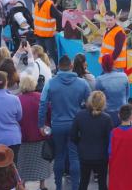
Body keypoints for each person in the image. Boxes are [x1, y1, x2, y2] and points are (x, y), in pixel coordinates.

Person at [38, 55, 92, 190]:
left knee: (59, 156)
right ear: (71, 66)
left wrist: (41, 124)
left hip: (57, 125)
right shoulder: (82, 83)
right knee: (74, 157)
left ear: (58, 66)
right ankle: (75, 186)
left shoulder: (50, 83)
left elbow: (43, 104)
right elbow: (91, 104)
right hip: (75, 124)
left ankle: (58, 187)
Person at [15, 75, 52, 189]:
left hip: (23, 136)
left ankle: (23, 184)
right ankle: (42, 184)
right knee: (42, 161)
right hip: (40, 135)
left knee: (23, 162)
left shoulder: (17, 99)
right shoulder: (41, 97)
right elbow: (49, 113)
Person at [71, 91, 113, 190]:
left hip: (84, 154)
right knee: (102, 182)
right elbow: (110, 139)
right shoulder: (107, 118)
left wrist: (80, 144)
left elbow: (73, 136)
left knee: (84, 182)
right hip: (101, 155)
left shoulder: (80, 115)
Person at [32, 0, 63, 65]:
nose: (37, 0)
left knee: (53, 53)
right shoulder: (36, 3)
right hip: (39, 35)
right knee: (40, 54)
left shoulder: (49, 5)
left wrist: (58, 30)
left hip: (49, 35)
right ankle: (44, 70)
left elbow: (59, 17)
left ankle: (58, 68)